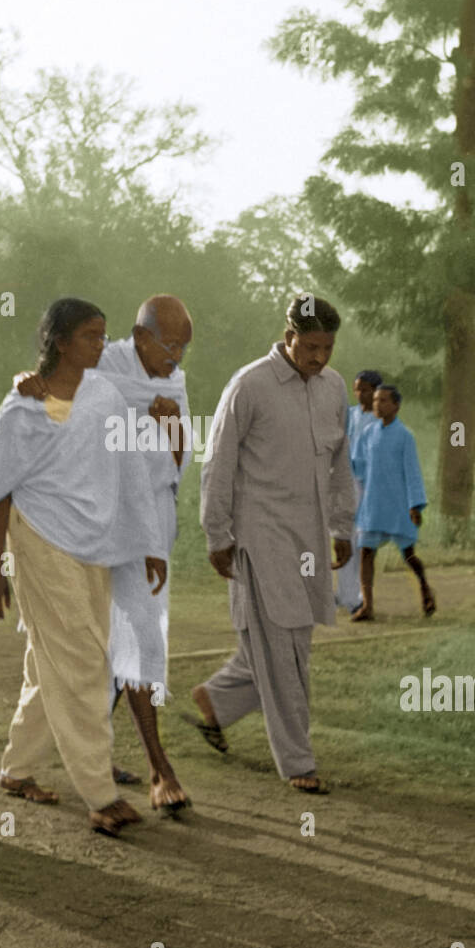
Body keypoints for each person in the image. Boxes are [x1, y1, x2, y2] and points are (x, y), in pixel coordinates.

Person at [0, 298, 168, 837]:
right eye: (89, 336)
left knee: (54, 660)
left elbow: (130, 468)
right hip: (38, 538)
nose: (99, 345)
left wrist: (149, 541)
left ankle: (17, 769)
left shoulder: (105, 396)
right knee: (85, 661)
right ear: (60, 342)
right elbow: (1, 492)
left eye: (102, 335)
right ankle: (99, 793)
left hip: (94, 542)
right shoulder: (21, 409)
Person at [16, 295, 194, 813]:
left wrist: (170, 426)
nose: (178, 356)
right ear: (140, 337)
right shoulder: (103, 365)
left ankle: (135, 762)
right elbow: (52, 397)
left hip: (149, 517)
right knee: (91, 637)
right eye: (171, 343)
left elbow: (177, 458)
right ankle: (139, 765)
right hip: (99, 517)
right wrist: (24, 386)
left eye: (186, 346)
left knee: (137, 634)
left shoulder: (173, 380)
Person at [189, 295, 356, 795]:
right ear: (289, 336)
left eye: (327, 347)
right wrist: (217, 534)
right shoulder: (250, 385)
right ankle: (298, 762)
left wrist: (342, 527)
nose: (319, 357)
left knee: (291, 642)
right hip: (258, 536)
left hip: (308, 537)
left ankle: (216, 702)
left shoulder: (333, 389)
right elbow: (217, 463)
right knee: (281, 647)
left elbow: (341, 465)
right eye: (310, 346)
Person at [351, 384, 436, 620]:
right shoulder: (367, 434)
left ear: (396, 406)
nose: (378, 404)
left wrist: (415, 505)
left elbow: (413, 472)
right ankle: (367, 605)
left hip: (399, 505)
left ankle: (425, 588)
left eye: (384, 400)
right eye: (376, 400)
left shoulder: (405, 436)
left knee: (408, 555)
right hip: (373, 504)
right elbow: (357, 464)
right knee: (366, 552)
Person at [335, 369, 382, 614]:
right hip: (347, 483)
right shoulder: (350, 415)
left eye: (365, 389)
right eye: (357, 389)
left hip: (369, 484)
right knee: (344, 537)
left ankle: (360, 596)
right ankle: (345, 593)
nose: (360, 394)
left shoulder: (380, 420)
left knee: (362, 541)